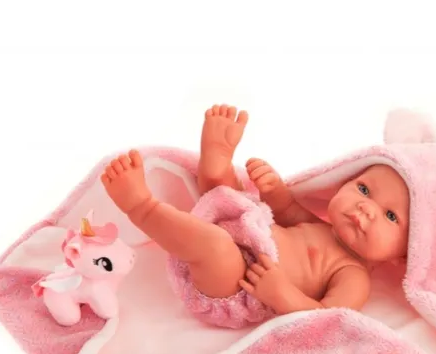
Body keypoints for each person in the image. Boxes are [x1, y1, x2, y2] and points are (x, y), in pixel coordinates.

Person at [100, 104, 410, 325]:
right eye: (364, 189)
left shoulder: (353, 276)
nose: (367, 208)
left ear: (404, 254)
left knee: (216, 246)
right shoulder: (321, 227)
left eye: (391, 216)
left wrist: (281, 294)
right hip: (248, 232)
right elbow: (286, 210)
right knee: (232, 197)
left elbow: (327, 319)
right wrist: (275, 190)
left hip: (239, 286)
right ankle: (217, 162)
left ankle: (142, 207)